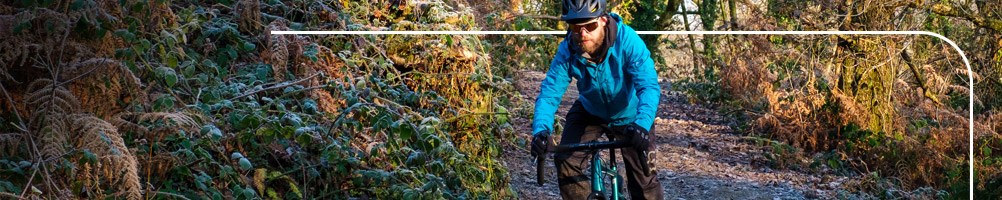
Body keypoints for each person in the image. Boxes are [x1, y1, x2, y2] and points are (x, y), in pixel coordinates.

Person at [528, 0, 664, 199]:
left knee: (645, 183)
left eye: (589, 26)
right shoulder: (568, 49)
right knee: (566, 161)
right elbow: (549, 93)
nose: (582, 34)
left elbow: (648, 86)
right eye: (575, 27)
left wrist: (642, 124)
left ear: (603, 20)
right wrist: (541, 130)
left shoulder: (628, 41)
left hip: (631, 114)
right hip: (590, 110)